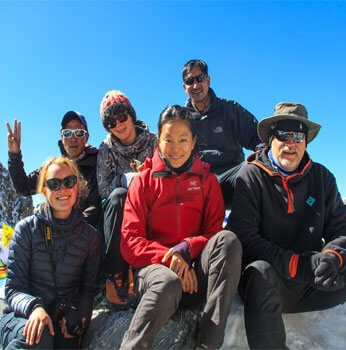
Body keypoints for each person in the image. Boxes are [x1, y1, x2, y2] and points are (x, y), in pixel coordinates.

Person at [226, 102, 346, 348]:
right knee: (259, 273)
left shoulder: (322, 177)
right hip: (275, 283)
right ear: (270, 138)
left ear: (306, 141)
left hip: (316, 280)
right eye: (283, 134)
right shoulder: (251, 176)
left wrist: (332, 258)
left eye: (298, 135)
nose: (291, 143)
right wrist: (299, 266)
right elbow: (245, 238)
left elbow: (344, 228)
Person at [120, 105, 242, 349]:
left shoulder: (207, 181)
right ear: (158, 141)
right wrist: (170, 258)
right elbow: (130, 240)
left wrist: (186, 248)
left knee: (228, 242)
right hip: (157, 274)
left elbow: (213, 233)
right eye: (168, 139)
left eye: (183, 139)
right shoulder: (143, 181)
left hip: (195, 275)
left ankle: (208, 343)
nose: (175, 148)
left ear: (194, 140)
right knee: (167, 282)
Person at [0, 156, 101, 349]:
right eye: (54, 184)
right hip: (20, 316)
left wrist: (79, 316)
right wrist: (34, 308)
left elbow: (88, 289)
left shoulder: (90, 237)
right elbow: (12, 290)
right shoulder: (26, 229)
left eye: (69, 182)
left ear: (77, 186)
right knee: (39, 336)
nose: (62, 189)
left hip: (60, 317)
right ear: (44, 191)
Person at [96, 90, 157, 308]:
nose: (119, 125)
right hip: (121, 209)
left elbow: (165, 175)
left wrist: (143, 180)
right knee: (117, 196)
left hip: (150, 205)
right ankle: (115, 276)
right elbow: (103, 189)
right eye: (111, 122)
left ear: (131, 115)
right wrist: (124, 180)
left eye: (122, 117)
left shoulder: (153, 141)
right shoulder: (106, 150)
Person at [182, 59, 263, 208]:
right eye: (189, 81)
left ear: (208, 80)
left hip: (231, 177)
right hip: (195, 182)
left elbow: (258, 138)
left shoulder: (230, 109)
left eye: (199, 79)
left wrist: (269, 158)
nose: (195, 85)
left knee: (254, 169)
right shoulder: (181, 118)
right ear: (184, 87)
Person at [6, 110, 102, 227]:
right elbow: (23, 187)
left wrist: (70, 230)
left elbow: (95, 209)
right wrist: (14, 154)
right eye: (67, 133)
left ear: (86, 137)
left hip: (87, 234)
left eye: (79, 133)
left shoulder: (98, 163)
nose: (73, 138)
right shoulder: (55, 169)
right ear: (62, 137)